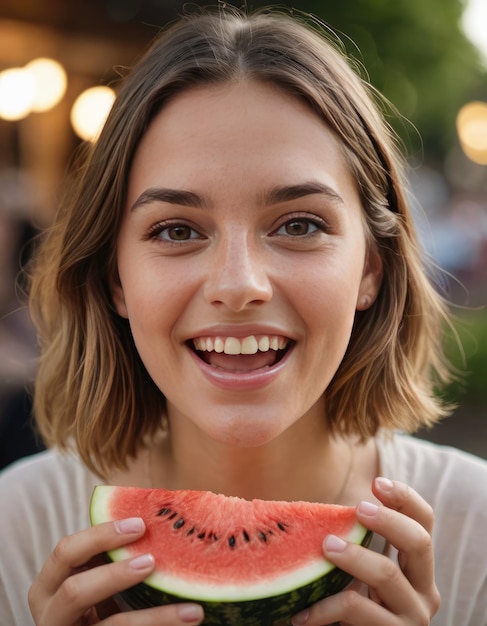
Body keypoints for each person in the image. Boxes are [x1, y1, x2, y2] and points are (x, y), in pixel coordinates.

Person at [1, 6, 486, 626]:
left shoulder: (476, 534)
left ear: (372, 268)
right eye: (176, 229)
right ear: (115, 277)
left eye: (299, 225)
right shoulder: (16, 528)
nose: (238, 285)